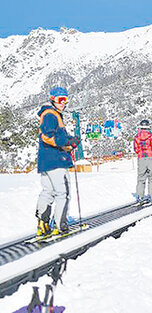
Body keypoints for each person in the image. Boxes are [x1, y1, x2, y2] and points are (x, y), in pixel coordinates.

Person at [36, 87, 80, 237]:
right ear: (52, 99)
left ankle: (43, 224)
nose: (63, 103)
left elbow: (54, 140)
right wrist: (68, 139)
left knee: (47, 192)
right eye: (60, 99)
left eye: (66, 100)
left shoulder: (50, 114)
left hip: (46, 161)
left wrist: (70, 144)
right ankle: (61, 225)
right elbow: (47, 136)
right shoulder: (50, 114)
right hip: (56, 162)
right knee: (63, 193)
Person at [133, 120, 152, 202]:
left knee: (141, 178)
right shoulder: (151, 136)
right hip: (151, 157)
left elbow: (136, 149)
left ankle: (140, 196)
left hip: (141, 158)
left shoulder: (137, 137)